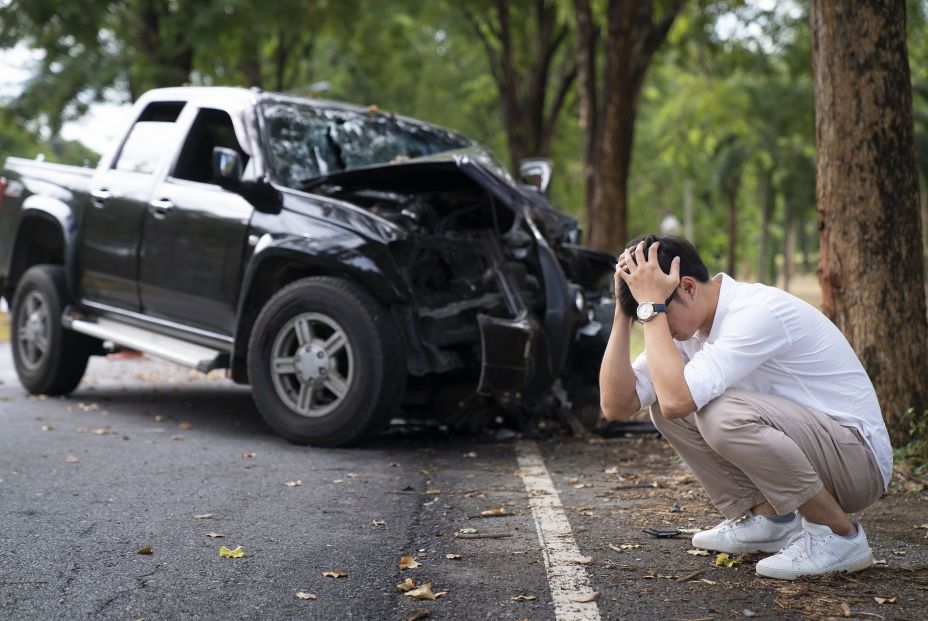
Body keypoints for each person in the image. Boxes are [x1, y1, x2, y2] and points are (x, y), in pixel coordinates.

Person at [599, 234, 892, 580]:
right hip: (820, 452)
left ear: (689, 288)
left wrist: (652, 311)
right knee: (664, 403)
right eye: (644, 312)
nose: (653, 319)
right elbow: (616, 405)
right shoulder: (689, 329)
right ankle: (769, 519)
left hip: (857, 461)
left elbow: (680, 400)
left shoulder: (753, 313)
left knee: (717, 414)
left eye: (656, 308)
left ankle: (839, 535)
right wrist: (624, 310)